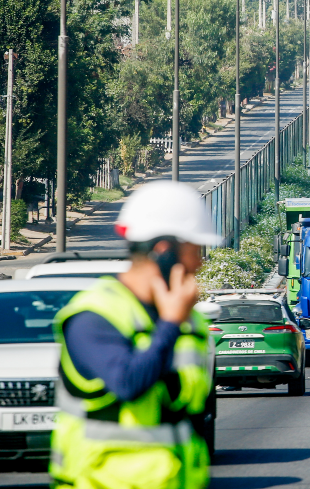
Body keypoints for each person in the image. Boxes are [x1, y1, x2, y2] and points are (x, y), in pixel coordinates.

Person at [50, 181, 221, 489]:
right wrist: (169, 324)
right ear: (164, 252)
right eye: (195, 251)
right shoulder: (95, 316)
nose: (199, 263)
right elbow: (127, 383)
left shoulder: (187, 319)